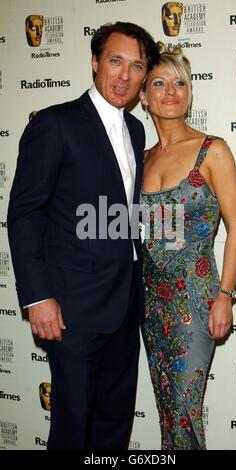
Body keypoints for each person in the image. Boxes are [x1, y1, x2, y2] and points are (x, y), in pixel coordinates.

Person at [8, 22, 159, 450]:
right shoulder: (54, 124)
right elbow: (24, 215)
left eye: (136, 66)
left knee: (114, 425)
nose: (125, 76)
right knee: (73, 428)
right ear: (95, 62)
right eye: (115, 61)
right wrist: (37, 297)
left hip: (126, 304)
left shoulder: (135, 130)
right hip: (72, 308)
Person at [139, 44, 236, 450]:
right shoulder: (141, 158)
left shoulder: (212, 150)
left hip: (196, 301)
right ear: (143, 95)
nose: (171, 91)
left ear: (189, 93)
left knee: (184, 412)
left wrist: (225, 297)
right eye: (159, 83)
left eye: (180, 83)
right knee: (169, 412)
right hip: (149, 304)